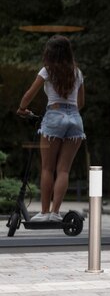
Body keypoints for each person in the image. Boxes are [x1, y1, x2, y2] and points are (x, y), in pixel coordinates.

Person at [16, 35, 86, 222]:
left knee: (47, 168)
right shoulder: (77, 73)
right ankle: (56, 213)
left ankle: (45, 213)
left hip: (54, 117)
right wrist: (69, 112)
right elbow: (81, 103)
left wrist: (22, 109)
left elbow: (28, 95)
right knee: (63, 170)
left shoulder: (47, 71)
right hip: (75, 119)